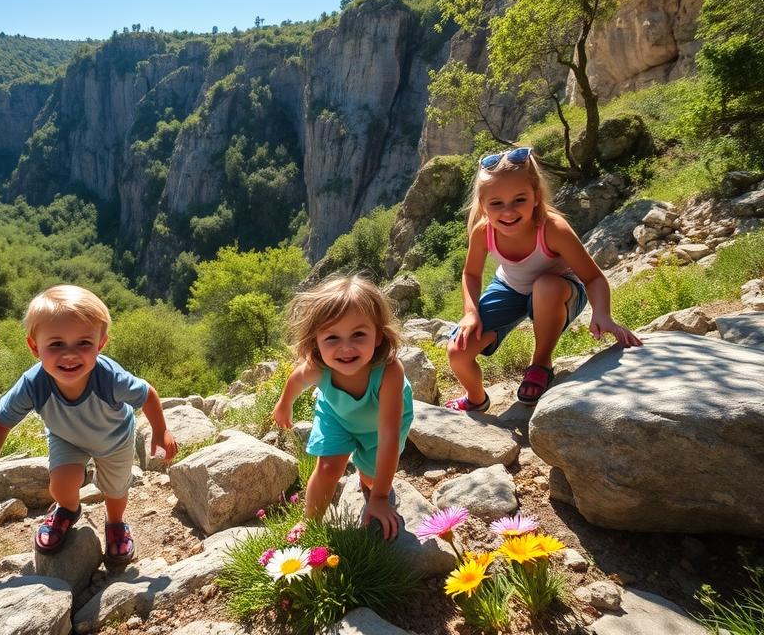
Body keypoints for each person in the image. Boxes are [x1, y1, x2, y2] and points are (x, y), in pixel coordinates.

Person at [0, 284, 177, 563]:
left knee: (115, 490)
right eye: (57, 344)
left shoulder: (109, 378)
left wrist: (160, 430)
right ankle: (68, 509)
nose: (70, 354)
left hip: (114, 439)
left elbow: (146, 393)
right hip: (66, 438)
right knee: (61, 484)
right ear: (35, 347)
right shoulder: (33, 384)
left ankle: (115, 524)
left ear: (100, 344)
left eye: (84, 343)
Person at [445, 147, 641, 412]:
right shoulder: (483, 232)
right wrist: (470, 313)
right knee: (458, 352)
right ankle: (476, 398)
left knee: (545, 285)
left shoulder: (553, 229)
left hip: (559, 288)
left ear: (536, 197)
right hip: (509, 287)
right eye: (496, 203)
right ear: (483, 206)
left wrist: (603, 314)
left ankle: (540, 364)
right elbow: (471, 274)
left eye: (519, 200)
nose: (508, 212)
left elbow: (593, 277)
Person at [273, 274, 413, 541]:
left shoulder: (389, 372)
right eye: (332, 338)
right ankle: (310, 521)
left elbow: (388, 436)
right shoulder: (318, 367)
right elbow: (296, 379)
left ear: (379, 336)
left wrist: (381, 497)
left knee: (372, 477)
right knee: (327, 466)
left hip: (380, 423)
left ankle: (369, 483)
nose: (346, 348)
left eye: (359, 334)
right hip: (335, 415)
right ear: (316, 341)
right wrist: (284, 405)